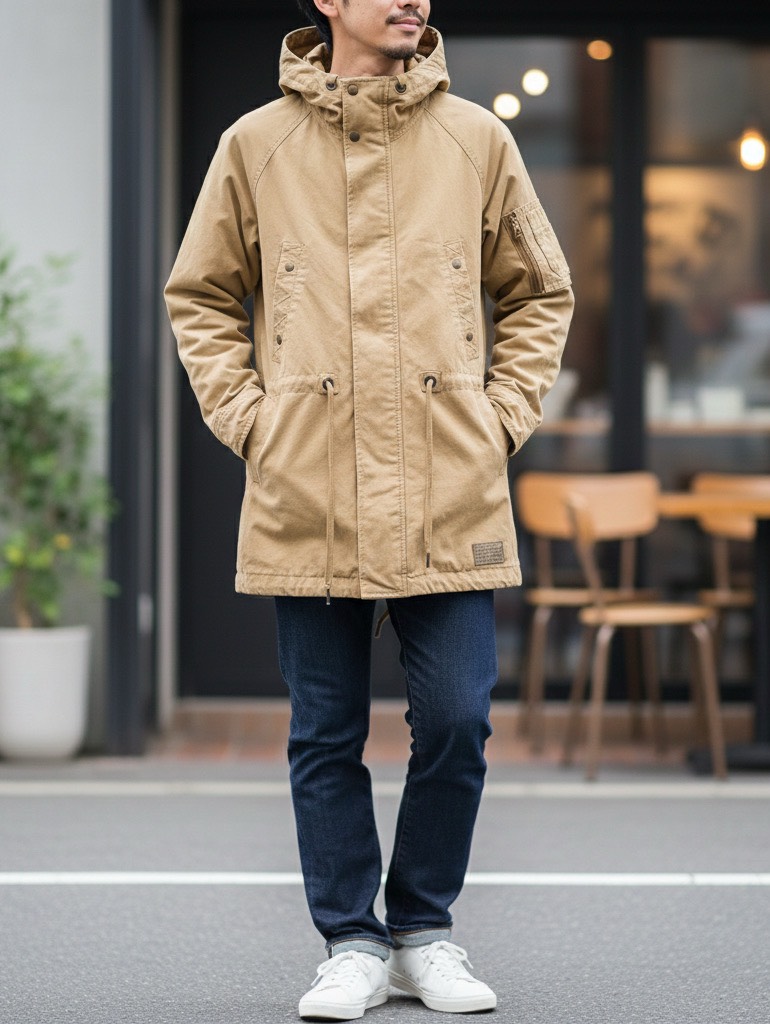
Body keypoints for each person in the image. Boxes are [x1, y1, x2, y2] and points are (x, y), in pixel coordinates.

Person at [165, 1, 573, 1018]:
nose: (413, 0)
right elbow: (201, 296)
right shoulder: (254, 144)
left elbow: (539, 292)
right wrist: (255, 421)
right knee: (324, 730)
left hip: (449, 485)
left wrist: (498, 418)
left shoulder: (477, 138)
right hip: (306, 481)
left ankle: (422, 930)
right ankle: (350, 940)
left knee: (458, 720)